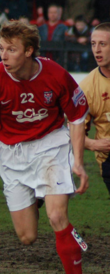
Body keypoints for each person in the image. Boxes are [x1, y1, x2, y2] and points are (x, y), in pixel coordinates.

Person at [0, 21, 89, 274]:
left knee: (56, 217)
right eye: (1, 49)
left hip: (51, 145)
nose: (4, 56)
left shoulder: (56, 75)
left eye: (11, 49)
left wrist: (77, 160)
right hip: (11, 153)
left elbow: (76, 118)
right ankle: (38, 195)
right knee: (27, 237)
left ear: (29, 50)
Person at [79, 22, 110, 195]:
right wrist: (93, 144)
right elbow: (72, 132)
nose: (97, 50)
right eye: (93, 44)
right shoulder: (87, 88)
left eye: (103, 44)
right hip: (108, 160)